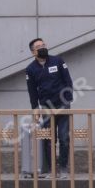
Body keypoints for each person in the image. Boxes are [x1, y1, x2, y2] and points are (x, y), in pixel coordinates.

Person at [25, 38, 73, 179]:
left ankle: (63, 168)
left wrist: (67, 100)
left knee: (64, 138)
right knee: (49, 139)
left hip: (62, 105)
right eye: (39, 46)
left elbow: (68, 81)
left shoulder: (58, 61)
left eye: (44, 45)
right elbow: (32, 92)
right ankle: (52, 169)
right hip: (46, 108)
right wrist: (35, 110)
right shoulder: (30, 69)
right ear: (33, 52)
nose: (42, 47)